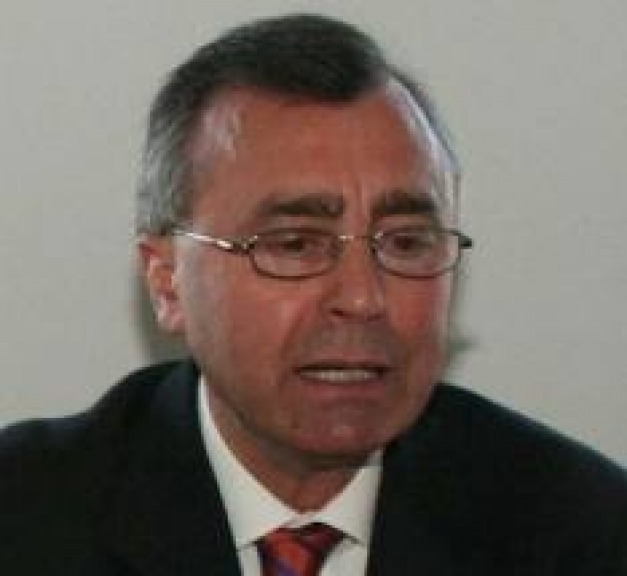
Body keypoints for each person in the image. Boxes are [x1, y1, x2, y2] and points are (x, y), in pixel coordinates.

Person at [1, 13, 626, 576]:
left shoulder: (581, 529)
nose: (363, 298)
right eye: (296, 244)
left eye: (406, 242)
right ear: (167, 281)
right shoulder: (25, 519)